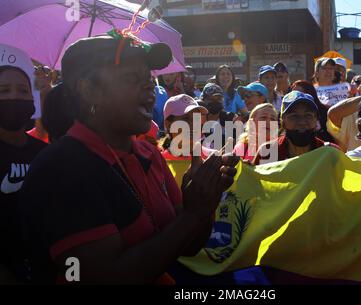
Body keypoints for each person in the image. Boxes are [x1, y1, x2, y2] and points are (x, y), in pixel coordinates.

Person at [19, 34, 238, 284]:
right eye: (133, 79)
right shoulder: (62, 168)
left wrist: (204, 202)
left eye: (149, 79)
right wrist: (191, 215)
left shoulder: (149, 153)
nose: (149, 88)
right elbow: (106, 277)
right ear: (89, 90)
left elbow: (188, 247)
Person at [0, 63, 47, 282]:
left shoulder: (45, 153)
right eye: (4, 91)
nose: (13, 98)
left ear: (32, 99)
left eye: (22, 90)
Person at [253, 91, 340, 165]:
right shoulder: (267, 153)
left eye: (308, 116)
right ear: (282, 121)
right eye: (294, 116)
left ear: (316, 119)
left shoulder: (331, 154)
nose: (302, 122)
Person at [160, 94, 215, 160]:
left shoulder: (213, 157)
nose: (193, 124)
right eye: (186, 118)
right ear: (168, 125)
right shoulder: (159, 162)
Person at [197, 83, 237, 149]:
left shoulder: (230, 118)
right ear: (203, 101)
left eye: (218, 99)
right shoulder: (197, 121)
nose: (215, 102)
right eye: (211, 99)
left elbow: (234, 143)